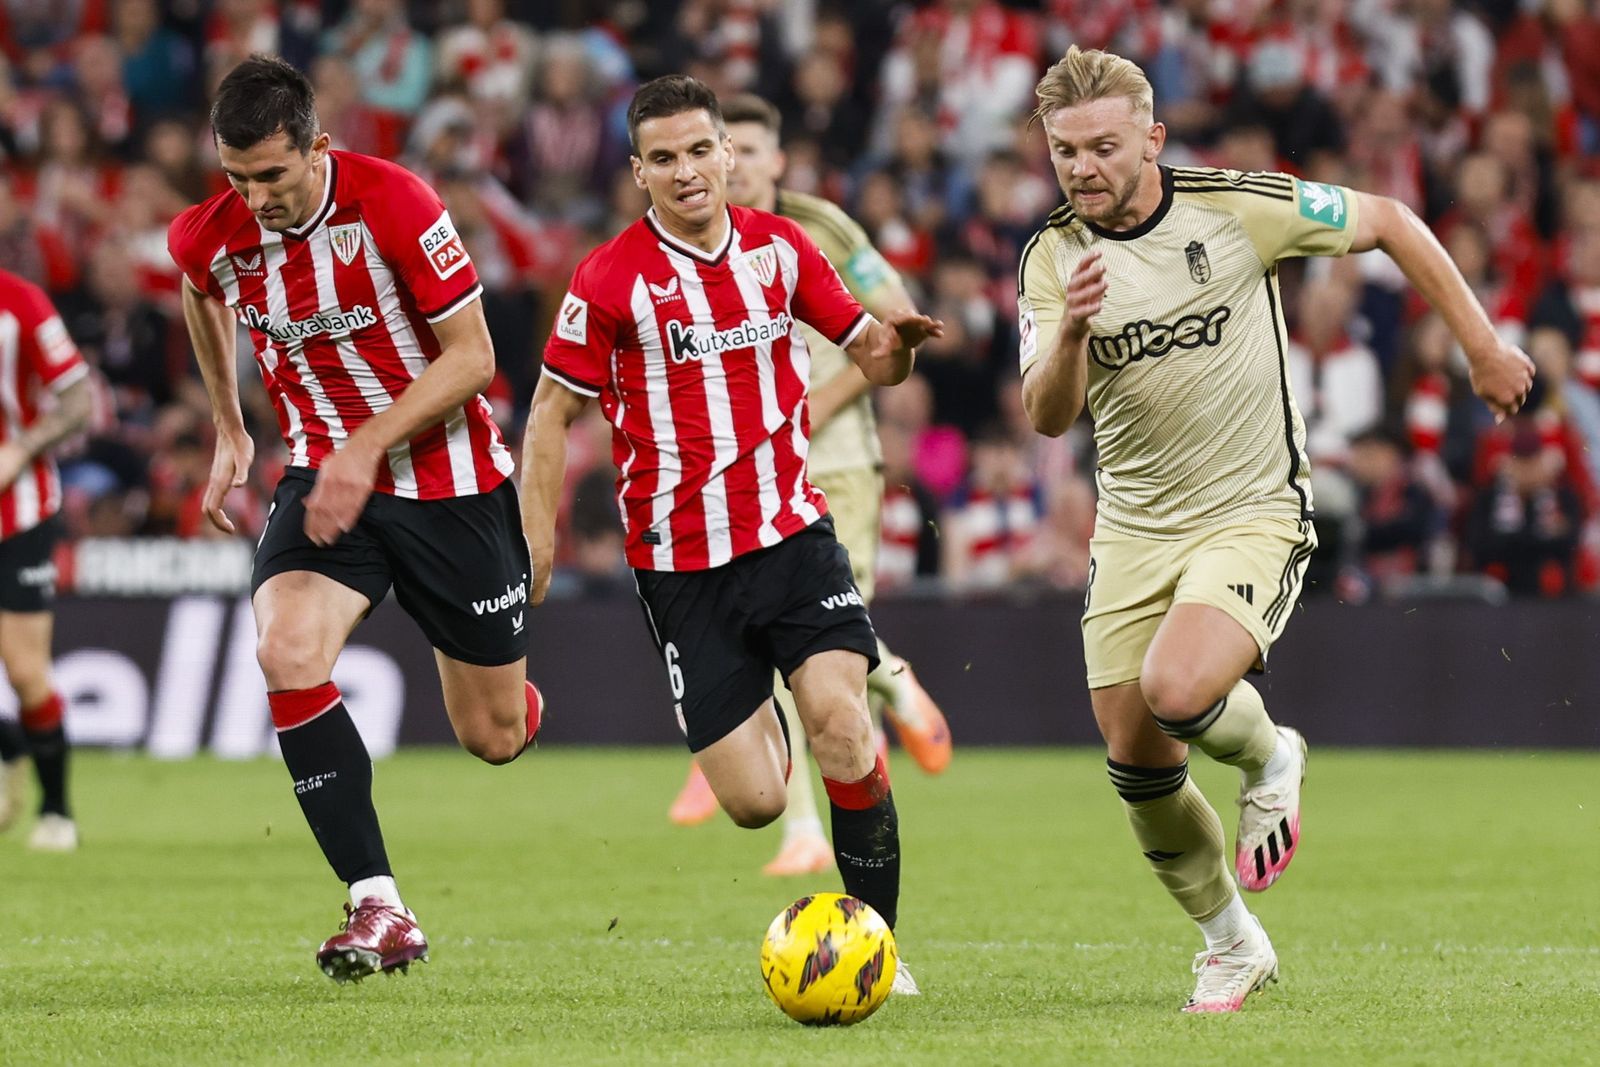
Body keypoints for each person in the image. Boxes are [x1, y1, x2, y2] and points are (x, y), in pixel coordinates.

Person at [1017, 47, 1534, 1013]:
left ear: (1152, 139)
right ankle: (1231, 942)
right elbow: (1047, 415)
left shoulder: (1235, 205)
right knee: (1138, 764)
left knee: (1178, 689)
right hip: (1132, 528)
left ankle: (1271, 754)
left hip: (1251, 508)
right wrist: (1076, 333)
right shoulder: (1051, 258)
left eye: (1103, 146)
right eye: (1064, 152)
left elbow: (1389, 220)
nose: (1083, 168)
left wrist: (1480, 343)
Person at [521, 75, 942, 995]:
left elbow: (871, 349)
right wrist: (539, 544)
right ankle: (767, 717)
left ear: (727, 154)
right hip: (679, 564)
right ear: (639, 172)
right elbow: (551, 411)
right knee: (752, 803)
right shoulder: (609, 277)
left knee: (841, 723)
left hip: (794, 535)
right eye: (663, 158)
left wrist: (900, 343)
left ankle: (880, 946)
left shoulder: (783, 249)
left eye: (700, 151)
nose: (687, 171)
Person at [168, 55, 544, 984]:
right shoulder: (210, 235)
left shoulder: (396, 203)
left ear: (317, 148)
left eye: (274, 176)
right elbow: (197, 289)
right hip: (325, 481)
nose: (256, 198)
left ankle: (514, 686)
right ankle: (377, 901)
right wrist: (228, 426)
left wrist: (367, 446)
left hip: (449, 484)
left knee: (492, 736)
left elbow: (475, 359)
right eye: (238, 178)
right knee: (285, 652)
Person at [664, 92, 954, 878]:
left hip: (835, 465)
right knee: (797, 648)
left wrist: (818, 401)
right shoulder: (690, 251)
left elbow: (892, 314)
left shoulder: (821, 229)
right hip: (744, 480)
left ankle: (806, 830)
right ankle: (892, 683)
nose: (743, 163)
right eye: (734, 149)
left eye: (757, 150)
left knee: (811, 651)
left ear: (775, 160)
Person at [0, 269, 94, 852]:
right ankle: (8, 748)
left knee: (25, 670)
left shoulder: (21, 302)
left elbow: (78, 402)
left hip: (20, 512)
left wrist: (20, 449)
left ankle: (57, 809)